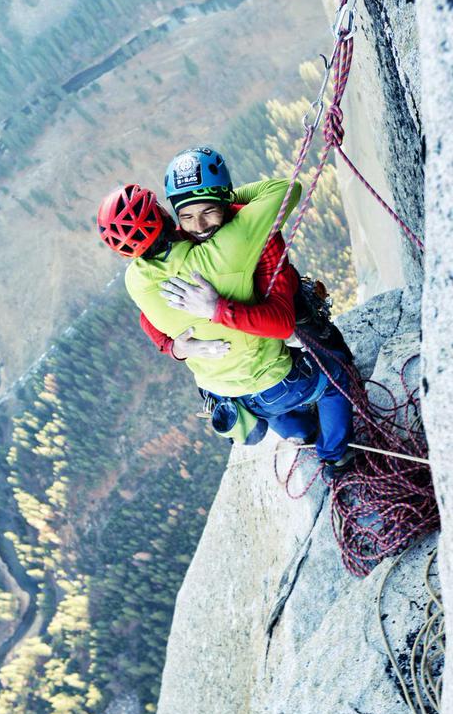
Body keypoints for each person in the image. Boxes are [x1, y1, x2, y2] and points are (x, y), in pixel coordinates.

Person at [97, 148, 354, 476]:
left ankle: (303, 433)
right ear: (164, 213)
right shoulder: (229, 246)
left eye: (206, 212)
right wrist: (216, 309)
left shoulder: (136, 281)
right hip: (271, 377)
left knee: (273, 404)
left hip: (221, 390)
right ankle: (335, 457)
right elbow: (283, 190)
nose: (198, 225)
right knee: (337, 375)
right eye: (186, 216)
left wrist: (174, 347)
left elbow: (148, 318)